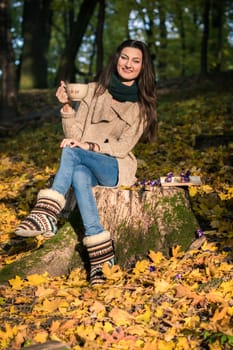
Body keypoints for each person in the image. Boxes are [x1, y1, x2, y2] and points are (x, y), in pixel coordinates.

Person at [15, 39, 158, 285]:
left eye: (136, 61)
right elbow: (74, 137)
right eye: (124, 57)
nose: (128, 64)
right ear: (116, 59)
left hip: (115, 166)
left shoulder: (142, 106)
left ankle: (48, 211)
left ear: (143, 68)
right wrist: (67, 107)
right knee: (79, 172)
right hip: (84, 159)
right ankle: (101, 254)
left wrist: (91, 146)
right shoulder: (93, 90)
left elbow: (123, 148)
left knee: (73, 153)